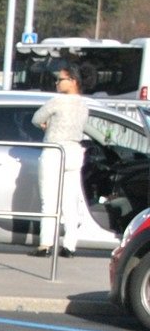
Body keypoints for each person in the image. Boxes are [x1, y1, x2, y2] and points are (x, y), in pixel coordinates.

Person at [31, 64, 118, 256]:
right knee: (70, 201)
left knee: (49, 200)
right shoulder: (83, 105)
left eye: (60, 79)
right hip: (74, 152)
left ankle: (46, 244)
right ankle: (69, 245)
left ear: (73, 81)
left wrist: (46, 125)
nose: (57, 83)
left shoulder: (57, 101)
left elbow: (36, 118)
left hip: (54, 150)